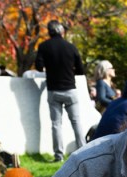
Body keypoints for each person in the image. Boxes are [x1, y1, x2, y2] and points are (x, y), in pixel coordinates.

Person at [35, 20, 86, 162]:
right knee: (76, 122)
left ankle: (58, 155)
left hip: (53, 91)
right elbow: (81, 70)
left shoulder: (43, 46)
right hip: (70, 89)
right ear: (61, 31)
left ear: (49, 31)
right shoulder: (71, 47)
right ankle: (83, 151)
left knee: (56, 124)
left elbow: (39, 66)